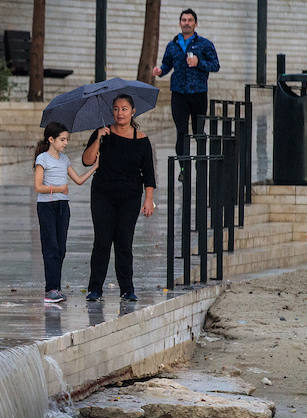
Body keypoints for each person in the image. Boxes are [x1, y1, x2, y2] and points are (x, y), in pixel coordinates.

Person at [82, 94, 156, 302]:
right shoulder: (102, 133)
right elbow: (87, 161)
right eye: (116, 109)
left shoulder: (142, 139)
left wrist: (148, 199)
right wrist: (98, 138)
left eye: (124, 109)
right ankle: (95, 288)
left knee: (124, 241)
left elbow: (149, 173)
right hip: (102, 194)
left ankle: (127, 289)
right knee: (102, 241)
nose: (119, 113)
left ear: (133, 112)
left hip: (130, 196)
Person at [33, 122, 98, 303]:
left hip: (63, 206)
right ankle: (50, 289)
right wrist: (59, 188)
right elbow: (38, 187)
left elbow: (77, 180)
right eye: (62, 139)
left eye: (67, 139)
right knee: (51, 247)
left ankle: (57, 288)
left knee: (61, 248)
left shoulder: (64, 159)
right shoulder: (42, 159)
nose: (65, 143)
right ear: (51, 139)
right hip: (47, 207)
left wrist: (94, 168)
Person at [152, 8, 220, 162]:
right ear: (180, 23)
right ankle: (184, 167)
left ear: (195, 24)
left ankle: (200, 165)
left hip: (198, 93)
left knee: (198, 132)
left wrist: (198, 62)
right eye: (184, 20)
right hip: (178, 94)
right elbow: (167, 64)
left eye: (190, 20)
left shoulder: (205, 44)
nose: (186, 23)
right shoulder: (172, 45)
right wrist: (160, 70)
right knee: (181, 131)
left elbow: (215, 65)